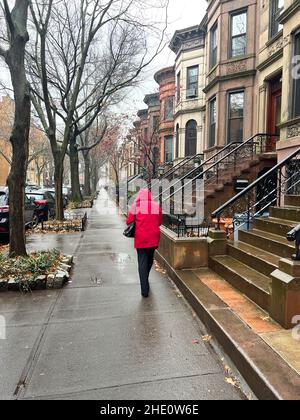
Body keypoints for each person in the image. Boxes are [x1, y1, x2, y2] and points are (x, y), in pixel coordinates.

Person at [126, 188, 163, 298]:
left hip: (141, 238)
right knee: (150, 260)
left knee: (142, 262)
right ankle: (145, 279)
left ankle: (144, 289)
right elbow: (160, 221)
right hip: (153, 238)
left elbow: (128, 221)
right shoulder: (156, 205)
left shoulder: (135, 206)